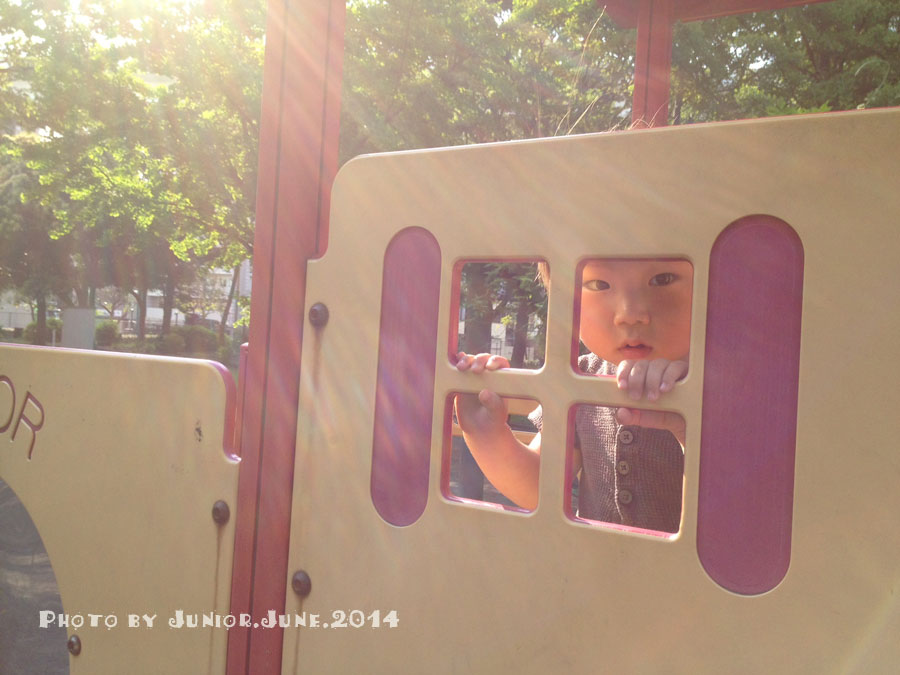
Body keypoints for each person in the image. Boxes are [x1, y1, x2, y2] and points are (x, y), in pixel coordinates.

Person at [454, 258, 692, 532]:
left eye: (662, 280)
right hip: (592, 557)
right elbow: (541, 487)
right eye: (599, 284)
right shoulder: (580, 376)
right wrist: (486, 435)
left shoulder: (722, 385)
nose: (629, 313)